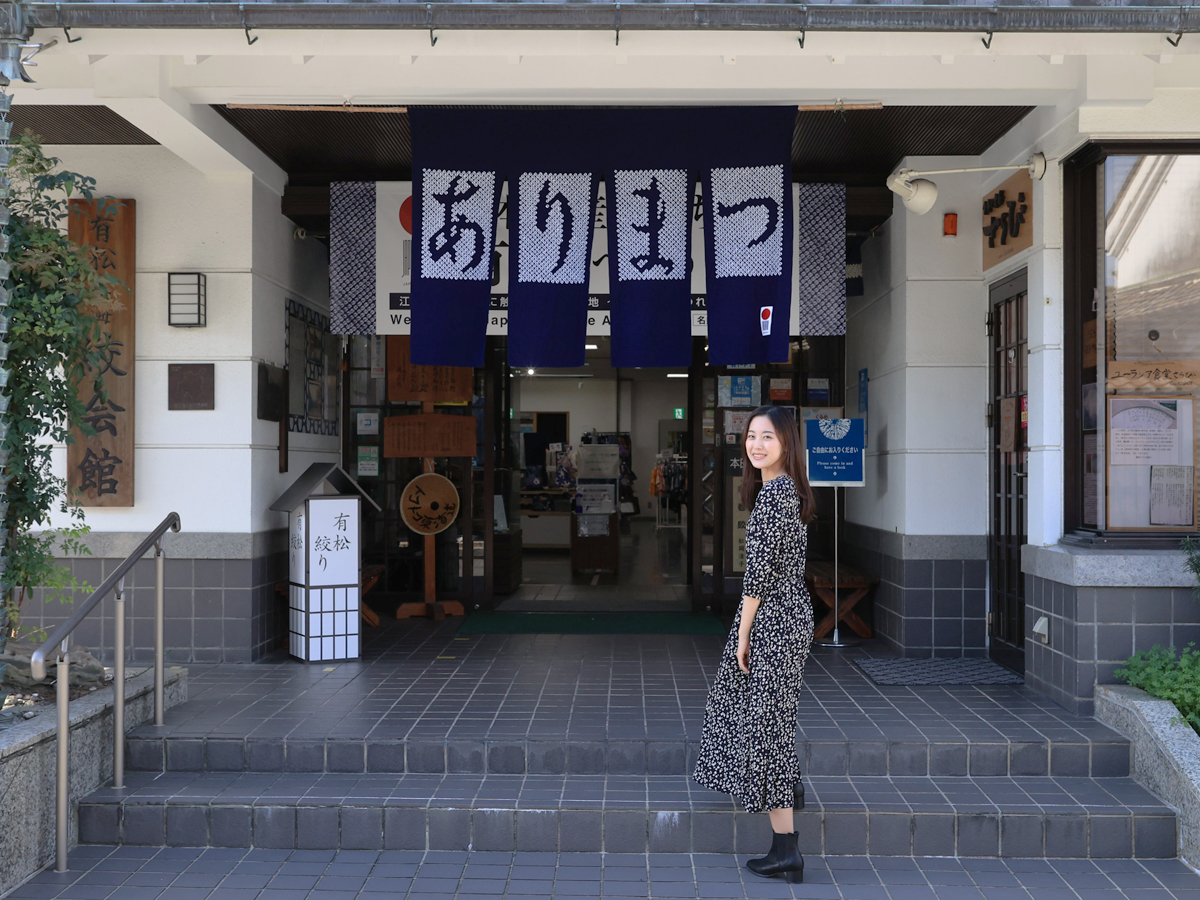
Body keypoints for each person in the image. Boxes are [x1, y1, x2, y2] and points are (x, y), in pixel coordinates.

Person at [692, 404, 817, 884]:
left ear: (787, 443)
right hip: (789, 616)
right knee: (771, 721)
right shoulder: (788, 490)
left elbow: (758, 576)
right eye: (751, 436)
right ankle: (790, 797)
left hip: (774, 621)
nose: (756, 445)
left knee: (768, 730)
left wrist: (742, 632)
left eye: (768, 436)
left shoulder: (774, 495)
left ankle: (787, 850)